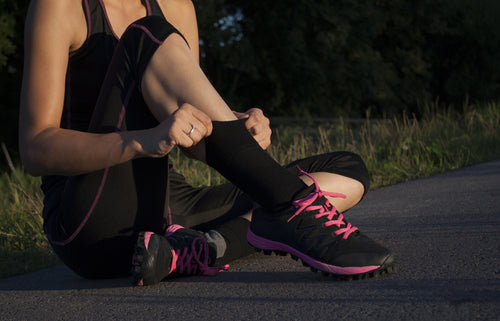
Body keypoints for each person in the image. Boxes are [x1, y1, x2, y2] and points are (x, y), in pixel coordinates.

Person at [19, 0, 395, 286]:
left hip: (169, 210)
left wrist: (237, 123)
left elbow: (189, 124)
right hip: (89, 220)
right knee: (146, 33)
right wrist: (142, 142)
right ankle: (293, 209)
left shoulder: (177, 6)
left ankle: (202, 249)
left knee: (347, 170)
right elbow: (35, 148)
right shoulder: (60, 6)